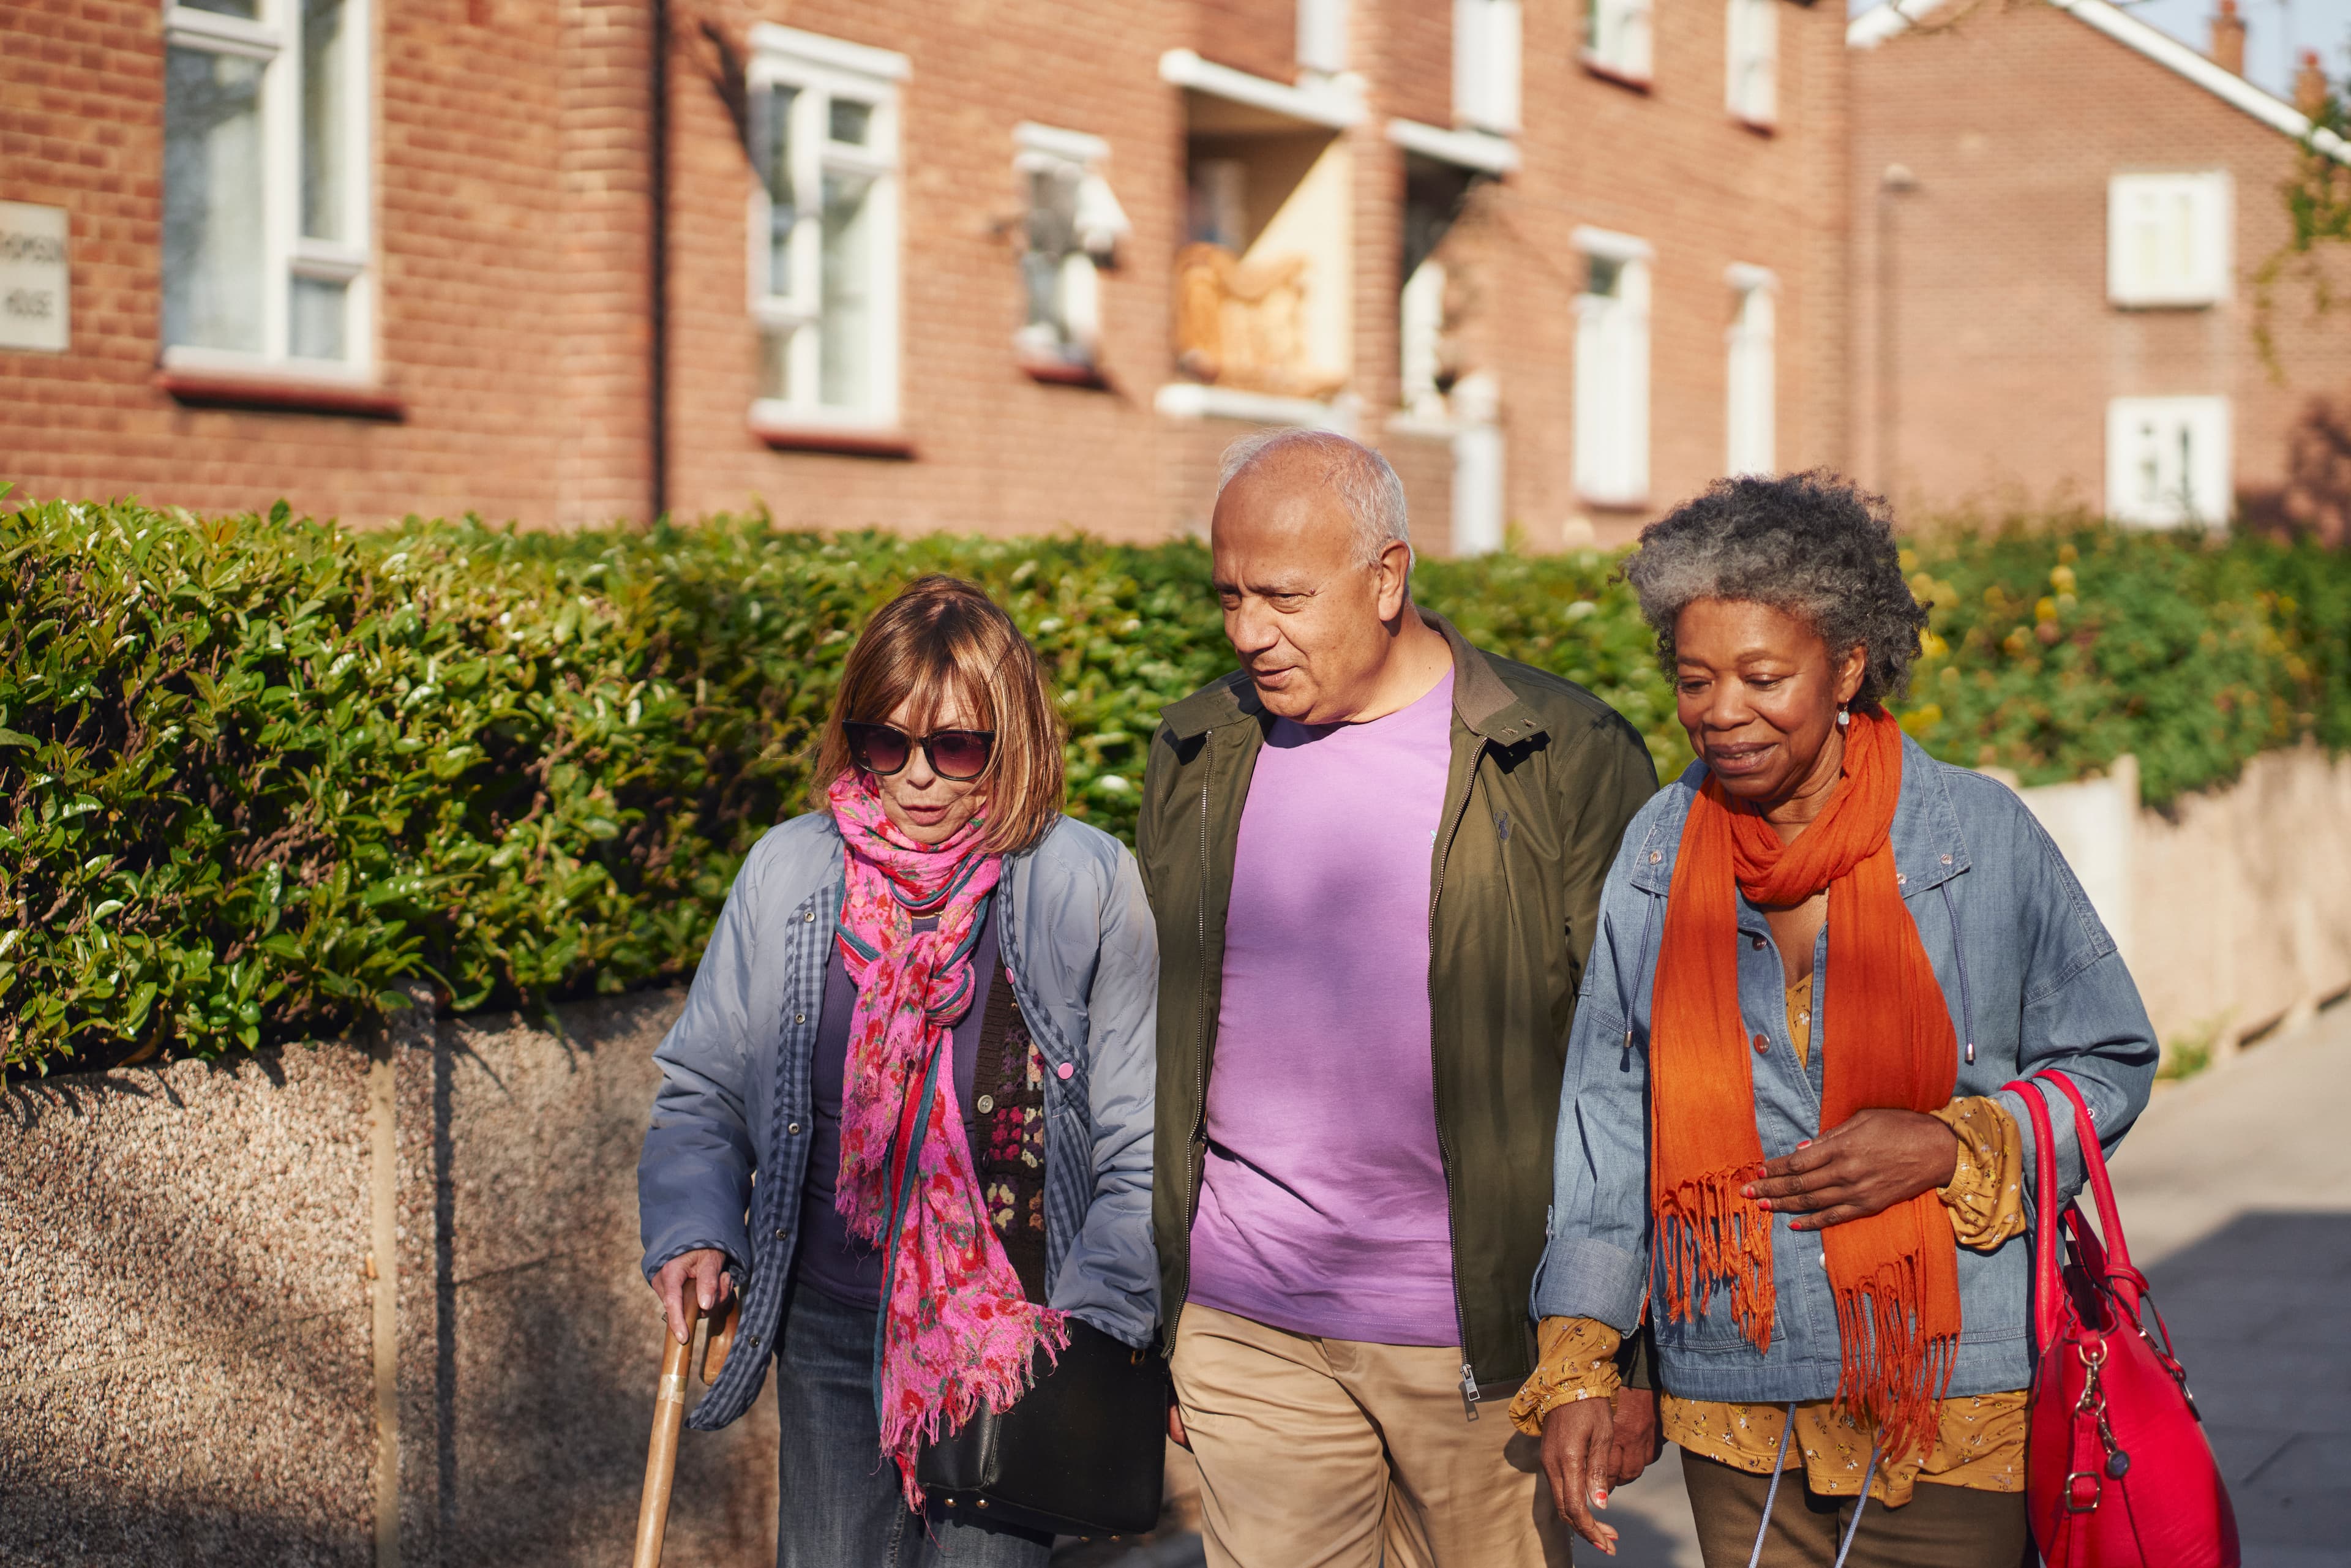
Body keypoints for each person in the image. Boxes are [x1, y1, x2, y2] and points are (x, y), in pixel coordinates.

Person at [1515, 473, 2160, 1567]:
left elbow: (2109, 1054)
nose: (1722, 710)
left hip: (1951, 1392)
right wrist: (1586, 1360)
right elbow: (1610, 1116)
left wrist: (1954, 1141)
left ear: (1848, 665)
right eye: (1694, 678)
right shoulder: (1661, 848)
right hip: (1735, 1393)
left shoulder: (1978, 834)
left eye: (1763, 677)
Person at [1135, 430, 1662, 1568]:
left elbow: (1638, 1063)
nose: (1246, 632)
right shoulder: (1196, 744)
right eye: (1227, 596)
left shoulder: (1561, 754)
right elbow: (1156, 1036)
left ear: (1388, 576)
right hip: (1247, 1321)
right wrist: (1164, 1315)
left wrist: (1623, 1352)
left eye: (1282, 595)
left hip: (1483, 1344)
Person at [636, 576, 1159, 1568]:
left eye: (955, 745)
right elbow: (702, 1085)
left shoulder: (1085, 882)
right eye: (889, 741)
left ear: (1014, 743)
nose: (917, 776)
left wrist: (1094, 1327)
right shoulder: (789, 872)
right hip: (831, 1317)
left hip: (1012, 1332)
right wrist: (695, 1227)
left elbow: (1137, 1132)